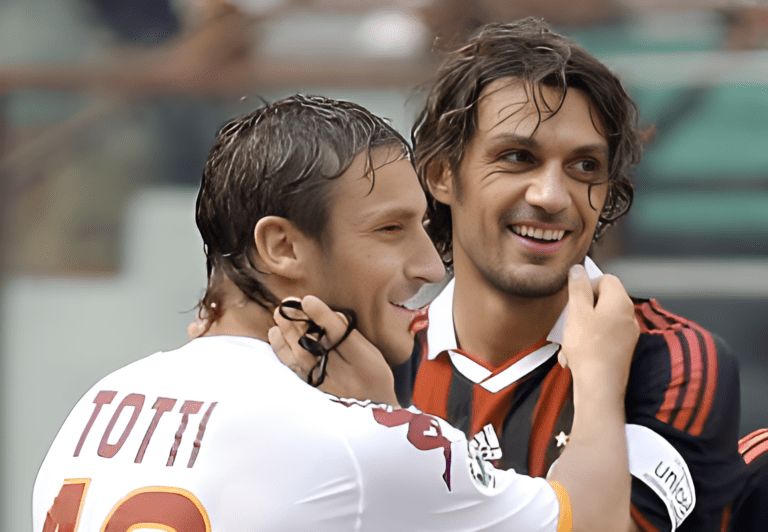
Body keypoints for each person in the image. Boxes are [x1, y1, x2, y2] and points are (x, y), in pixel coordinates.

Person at [33, 94, 642, 532]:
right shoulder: (356, 445)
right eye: (391, 229)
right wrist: (597, 371)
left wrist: (378, 408)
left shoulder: (101, 401)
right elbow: (593, 520)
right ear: (282, 247)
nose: (431, 265)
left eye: (424, 228)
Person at [271, 19, 759, 532]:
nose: (551, 196)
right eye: (517, 157)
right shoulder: (370, 361)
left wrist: (382, 424)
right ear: (440, 174)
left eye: (585, 167)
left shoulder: (669, 359)